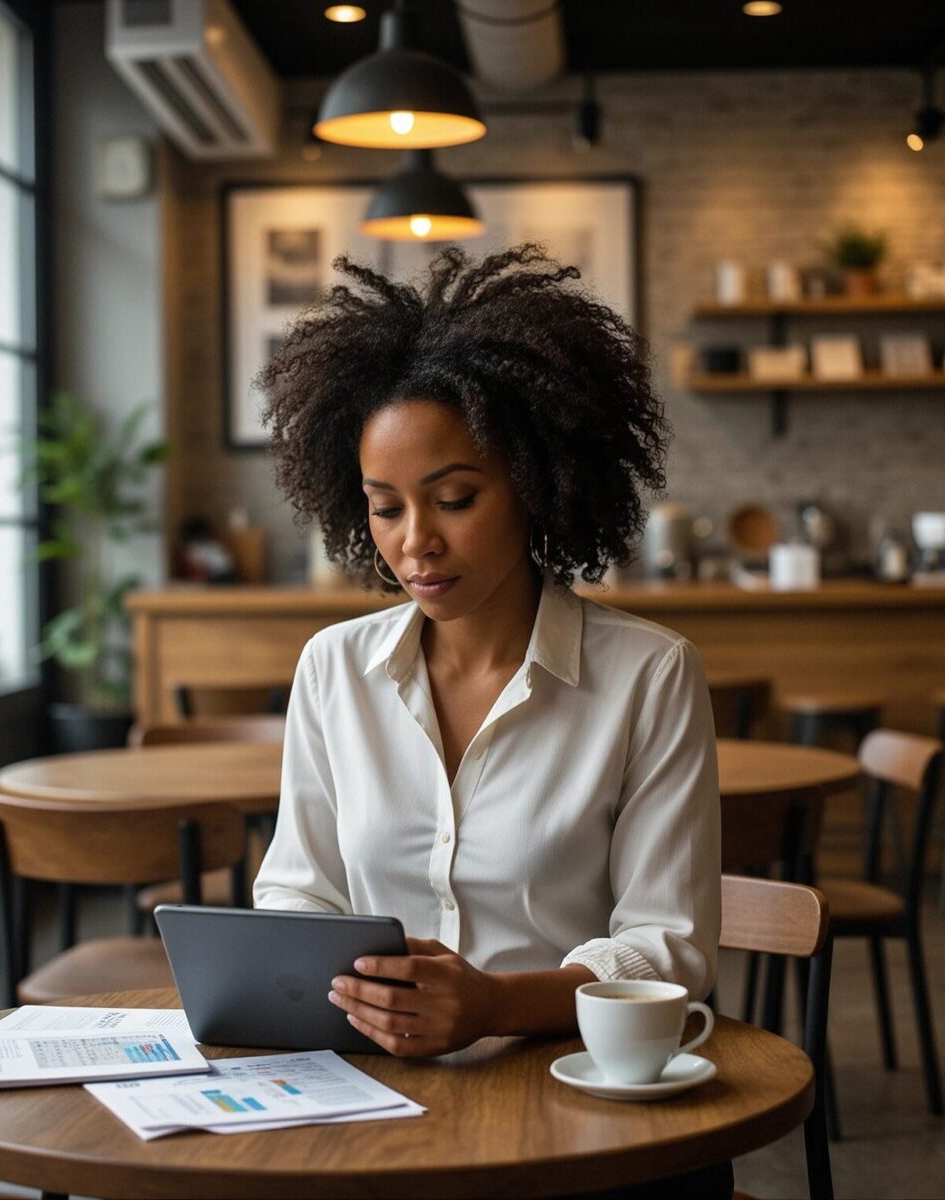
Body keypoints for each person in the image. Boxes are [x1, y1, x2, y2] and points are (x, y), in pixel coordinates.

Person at [253, 245, 727, 1199]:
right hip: (376, 1100)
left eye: (456, 499)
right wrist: (358, 995)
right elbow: (297, 897)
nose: (415, 543)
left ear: (539, 485)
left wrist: (493, 1005)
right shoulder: (333, 670)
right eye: (385, 509)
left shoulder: (649, 675)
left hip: (580, 1102)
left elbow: (666, 949)